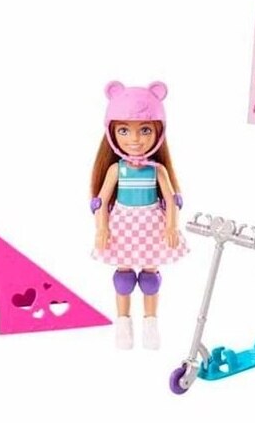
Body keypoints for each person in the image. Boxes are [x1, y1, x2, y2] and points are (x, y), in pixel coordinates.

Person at [90, 80, 189, 350]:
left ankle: (150, 323)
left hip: (151, 226)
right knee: (123, 276)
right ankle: (123, 323)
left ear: (158, 132)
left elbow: (171, 200)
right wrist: (102, 228)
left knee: (150, 276)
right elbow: (101, 201)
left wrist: (171, 227)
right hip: (123, 226)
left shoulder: (157, 170)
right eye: (124, 130)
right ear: (112, 133)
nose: (134, 139)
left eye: (145, 130)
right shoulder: (116, 170)